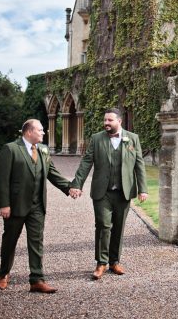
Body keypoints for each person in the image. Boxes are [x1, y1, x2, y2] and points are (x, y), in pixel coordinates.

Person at [0, 119, 78, 293]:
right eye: (40, 130)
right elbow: (1, 179)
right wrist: (4, 204)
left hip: (37, 205)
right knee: (10, 241)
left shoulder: (43, 150)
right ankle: (4, 274)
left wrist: (69, 188)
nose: (43, 133)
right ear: (29, 132)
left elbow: (52, 173)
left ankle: (37, 280)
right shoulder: (11, 149)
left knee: (36, 242)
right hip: (15, 206)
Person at [69, 108, 148, 280]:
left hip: (123, 192)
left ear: (119, 121)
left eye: (110, 120)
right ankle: (101, 263)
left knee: (118, 227)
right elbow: (86, 162)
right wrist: (77, 184)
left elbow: (139, 164)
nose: (106, 123)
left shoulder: (132, 138)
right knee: (103, 225)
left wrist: (143, 189)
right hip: (102, 191)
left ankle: (114, 262)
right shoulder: (96, 139)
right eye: (105, 120)